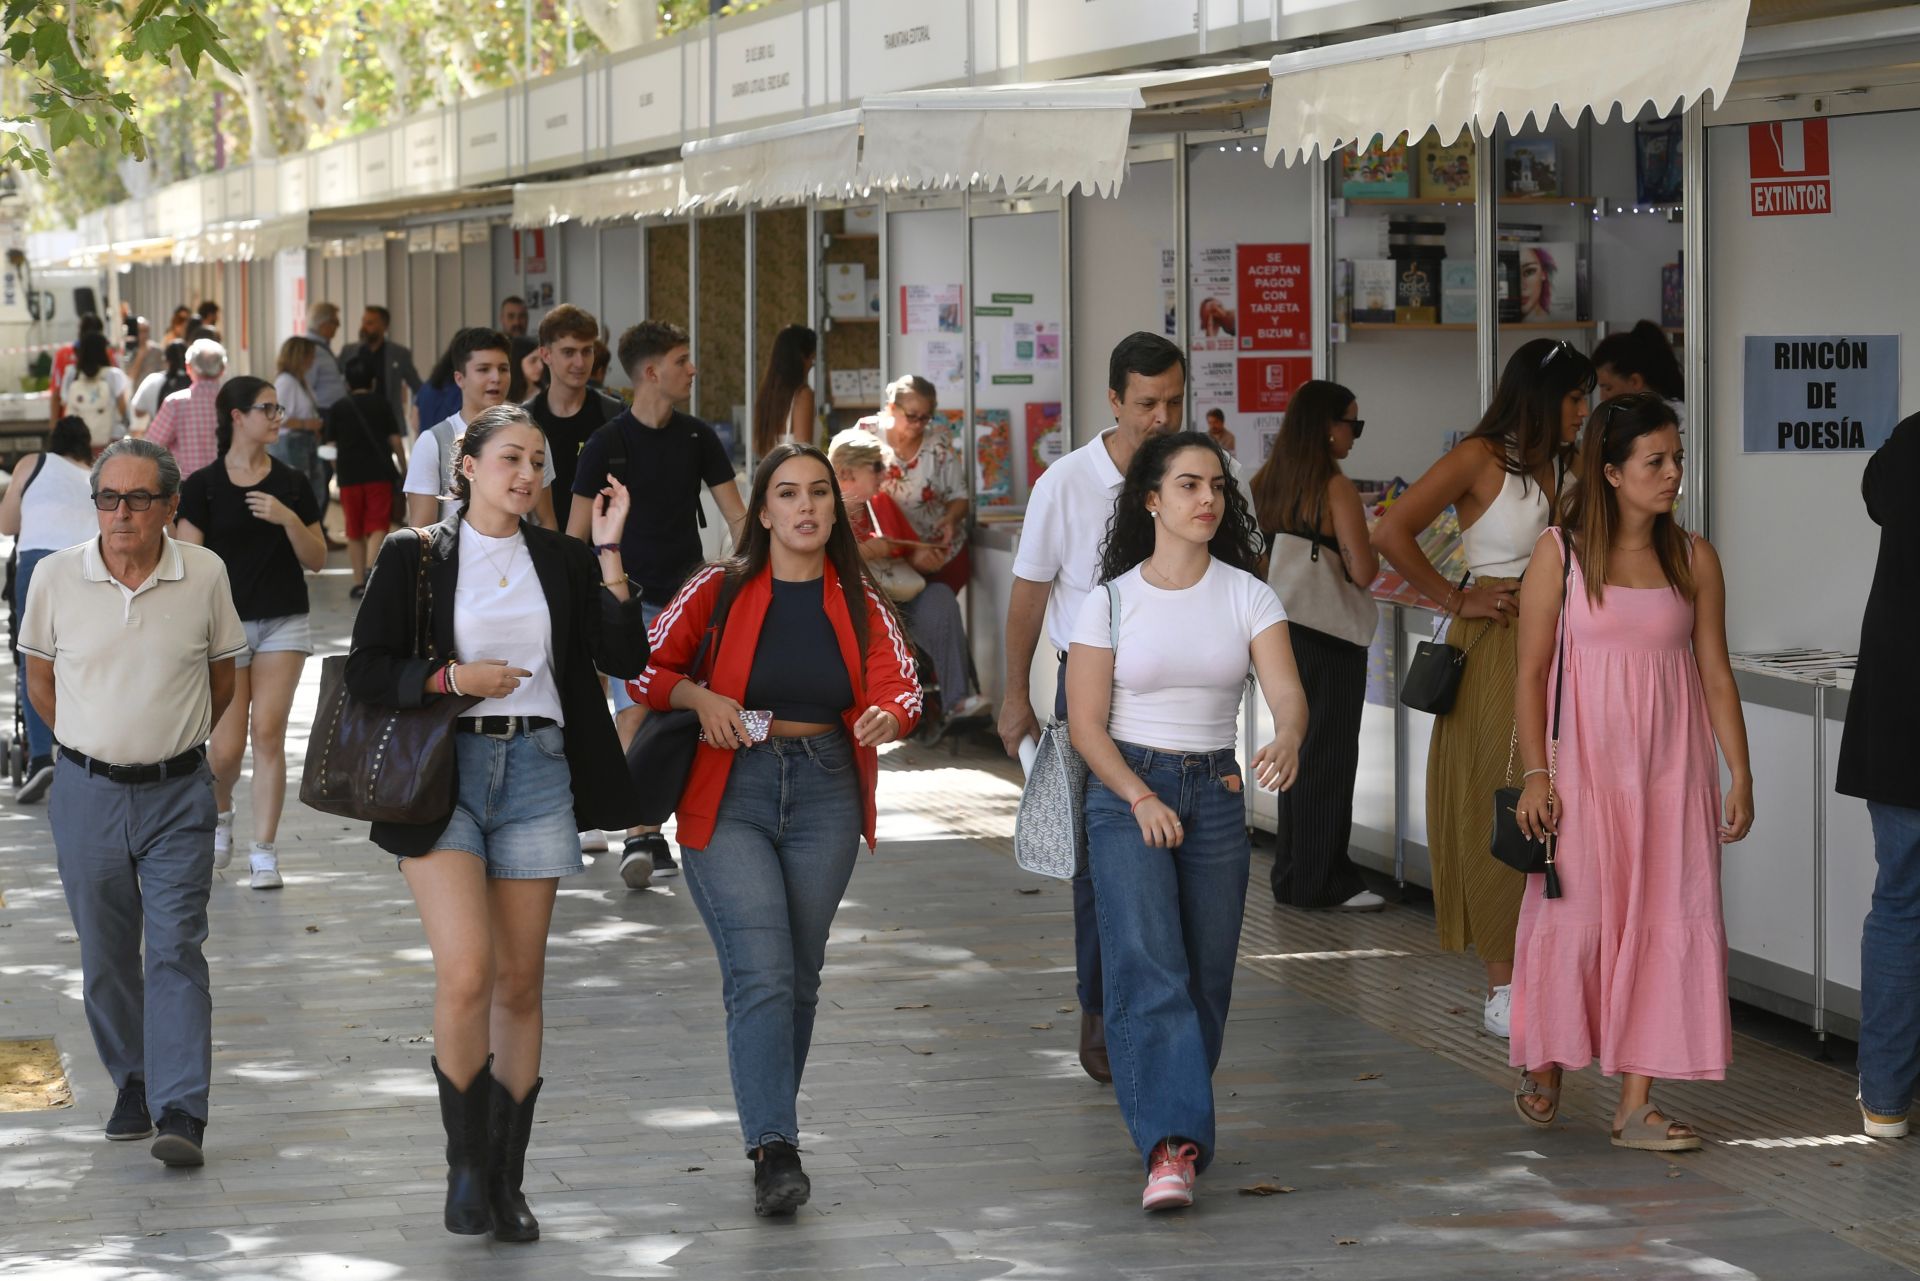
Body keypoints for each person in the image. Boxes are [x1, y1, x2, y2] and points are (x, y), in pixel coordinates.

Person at [345, 404, 648, 1241]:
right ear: (467, 466)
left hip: (539, 772)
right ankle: (466, 1163)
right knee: (468, 973)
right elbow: (366, 667)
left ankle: (510, 1179)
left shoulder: (560, 556)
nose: (527, 473)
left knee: (520, 983)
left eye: (539, 462)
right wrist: (452, 676)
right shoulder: (415, 554)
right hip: (445, 774)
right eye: (510, 456)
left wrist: (612, 549)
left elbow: (626, 659)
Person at [634, 441, 920, 1216]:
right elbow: (643, 667)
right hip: (730, 789)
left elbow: (904, 685)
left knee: (799, 973)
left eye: (819, 493)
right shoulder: (717, 587)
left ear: (837, 507)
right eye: (787, 494)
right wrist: (700, 699)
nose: (805, 507)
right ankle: (775, 1147)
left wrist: (888, 714)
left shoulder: (860, 597)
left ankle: (772, 1129)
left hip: (827, 785)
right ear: (762, 512)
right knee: (761, 970)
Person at [1068, 430, 1307, 1212]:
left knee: (1205, 977)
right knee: (1149, 966)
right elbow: (1086, 725)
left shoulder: (1248, 592)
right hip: (1126, 789)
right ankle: (1171, 1146)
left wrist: (1290, 734)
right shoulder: (1108, 600)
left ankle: (1169, 1115)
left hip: (1216, 792)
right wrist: (1139, 795)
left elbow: (1286, 691)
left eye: (1216, 487)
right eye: (1188, 485)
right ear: (1152, 500)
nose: (1207, 499)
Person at [1508, 391, 1752, 1150]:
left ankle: (1635, 1104)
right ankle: (1548, 1058)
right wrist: (1538, 776)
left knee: (1662, 921)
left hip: (1671, 779)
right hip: (1582, 774)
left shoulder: (1693, 556)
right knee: (1571, 917)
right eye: (1657, 460)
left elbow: (1714, 669)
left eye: (1677, 457)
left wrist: (1738, 771)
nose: (1673, 471)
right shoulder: (1560, 553)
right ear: (1611, 471)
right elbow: (1530, 672)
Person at [20, 438, 249, 1167]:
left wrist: (174, 746)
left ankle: (183, 1106)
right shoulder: (55, 576)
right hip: (85, 793)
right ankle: (135, 1079)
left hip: (178, 791)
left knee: (176, 946)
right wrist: (92, 748)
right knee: (107, 955)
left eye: (138, 499)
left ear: (169, 506)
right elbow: (41, 683)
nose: (121, 513)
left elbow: (222, 680)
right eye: (108, 499)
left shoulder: (205, 573)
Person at [1372, 337, 1594, 1038]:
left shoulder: (1568, 460)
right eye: (1574, 398)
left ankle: (1553, 961)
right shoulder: (1480, 456)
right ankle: (1503, 980)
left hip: (1568, 635)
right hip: (1498, 634)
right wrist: (1453, 597)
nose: (1584, 411)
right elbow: (1392, 530)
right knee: (1502, 797)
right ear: (1541, 396)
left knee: (1569, 796)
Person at [1000, 331, 1187, 1084]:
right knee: (1098, 858)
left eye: (1174, 401)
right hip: (1091, 689)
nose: (1161, 417)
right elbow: (1029, 591)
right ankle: (1100, 1009)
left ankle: (1168, 1007)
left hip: (1181, 687)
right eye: (1146, 403)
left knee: (1181, 847)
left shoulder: (1205, 472)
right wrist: (1015, 692)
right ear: (1114, 400)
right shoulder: (1066, 483)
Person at [567, 320, 746, 888]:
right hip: (630, 603)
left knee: (688, 712)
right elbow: (576, 533)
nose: (693, 370)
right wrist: (585, 609)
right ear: (651, 372)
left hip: (693, 603)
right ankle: (638, 831)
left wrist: (754, 573)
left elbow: (739, 517)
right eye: (682, 360)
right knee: (636, 712)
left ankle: (651, 828)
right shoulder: (606, 444)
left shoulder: (698, 438)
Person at [176, 377, 326, 891]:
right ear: (237, 416)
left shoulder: (292, 482)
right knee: (225, 749)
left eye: (278, 407)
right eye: (267, 408)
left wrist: (287, 519)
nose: (277, 416)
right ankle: (221, 815)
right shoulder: (203, 487)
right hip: (224, 629)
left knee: (268, 732)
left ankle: (265, 851)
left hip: (284, 619)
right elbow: (185, 566)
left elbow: (318, 558)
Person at [1250, 381, 1383, 912]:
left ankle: (1293, 871)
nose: (1355, 433)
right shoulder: (1335, 488)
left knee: (1295, 752)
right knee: (1329, 757)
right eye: (1353, 422)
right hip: (1331, 639)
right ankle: (1324, 879)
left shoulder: (1267, 483)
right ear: (1329, 426)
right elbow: (1363, 569)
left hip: (1280, 634)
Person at [1837, 409, 1920, 1140]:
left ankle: (1886, 1101)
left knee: (1900, 902)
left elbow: (1875, 494)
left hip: (1899, 727)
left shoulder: (1908, 447)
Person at [830, 427, 990, 728]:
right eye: (877, 467)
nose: (885, 474)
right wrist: (865, 553)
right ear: (846, 470)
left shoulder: (881, 505)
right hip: (853, 605)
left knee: (940, 597)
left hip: (896, 598)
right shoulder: (824, 510)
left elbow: (909, 554)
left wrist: (923, 558)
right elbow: (816, 564)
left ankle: (955, 700)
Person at [0, 417, 99, 802]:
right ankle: (86, 750)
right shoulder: (95, 475)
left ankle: (41, 756)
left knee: (35, 656)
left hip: (39, 564)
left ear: (52, 442)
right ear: (86, 446)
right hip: (88, 565)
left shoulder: (33, 463)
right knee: (84, 658)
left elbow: (7, 524)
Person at [405, 327, 557, 530]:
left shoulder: (531, 436)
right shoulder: (434, 442)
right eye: (484, 369)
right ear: (460, 379)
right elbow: (421, 534)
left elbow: (545, 520)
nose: (496, 378)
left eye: (503, 369)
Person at [864, 375, 970, 595]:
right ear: (892, 407)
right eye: (912, 416)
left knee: (934, 617)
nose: (918, 424)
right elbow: (847, 485)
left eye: (925, 418)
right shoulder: (866, 434)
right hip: (886, 558)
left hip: (936, 555)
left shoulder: (937, 445)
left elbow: (960, 496)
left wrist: (951, 518)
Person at [524, 304, 622, 536]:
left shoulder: (614, 415)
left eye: (587, 351)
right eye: (569, 352)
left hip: (607, 554)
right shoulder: (525, 420)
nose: (580, 363)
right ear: (546, 355)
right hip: (543, 551)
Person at [327, 354, 407, 598]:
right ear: (373, 381)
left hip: (349, 477)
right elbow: (395, 441)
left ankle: (359, 581)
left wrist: (337, 469)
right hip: (378, 475)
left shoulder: (337, 408)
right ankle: (372, 570)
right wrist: (404, 469)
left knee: (354, 529)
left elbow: (331, 447)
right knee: (378, 525)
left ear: (347, 383)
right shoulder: (382, 404)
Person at [144, 339, 229, 478]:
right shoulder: (231, 401)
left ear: (188, 367)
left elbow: (150, 447)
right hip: (227, 481)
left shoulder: (175, 403)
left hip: (187, 483)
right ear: (222, 369)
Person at [339, 305, 423, 432]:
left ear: (384, 327)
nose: (363, 327)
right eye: (363, 322)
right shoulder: (348, 351)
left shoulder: (399, 354)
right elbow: (336, 382)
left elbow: (417, 386)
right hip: (353, 419)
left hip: (385, 422)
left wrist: (417, 411)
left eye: (370, 323)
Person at [268, 336, 328, 513]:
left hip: (303, 441)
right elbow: (278, 416)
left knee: (312, 489)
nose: (313, 360)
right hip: (292, 443)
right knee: (299, 491)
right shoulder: (286, 381)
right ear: (299, 357)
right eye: (310, 355)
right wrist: (306, 424)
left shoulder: (299, 380)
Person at [1592, 321, 1686, 430]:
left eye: (1608, 388)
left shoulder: (1675, 422)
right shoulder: (1630, 422)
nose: (1602, 397)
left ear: (1635, 381)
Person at [751, 324, 817, 458]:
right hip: (796, 475)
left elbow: (758, 446)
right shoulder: (802, 395)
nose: (811, 365)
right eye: (811, 358)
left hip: (772, 475)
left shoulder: (767, 395)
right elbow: (803, 451)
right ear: (802, 358)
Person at [59, 331, 131, 449]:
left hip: (80, 441)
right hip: (110, 439)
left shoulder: (72, 374)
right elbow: (122, 407)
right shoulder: (113, 375)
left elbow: (65, 402)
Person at [50, 314, 115, 423]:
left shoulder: (64, 355)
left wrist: (53, 425)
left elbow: (57, 394)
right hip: (102, 424)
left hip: (72, 425)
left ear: (80, 332)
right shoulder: (108, 355)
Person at [415, 342, 465, 436]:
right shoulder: (461, 389)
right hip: (451, 446)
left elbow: (414, 420)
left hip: (426, 442)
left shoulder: (427, 386)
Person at [126, 317, 166, 392]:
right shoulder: (129, 351)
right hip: (136, 394)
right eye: (141, 331)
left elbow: (164, 374)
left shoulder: (157, 351)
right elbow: (130, 378)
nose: (144, 335)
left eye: (146, 331)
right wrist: (140, 357)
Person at [509, 335, 544, 405]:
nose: (541, 366)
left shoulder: (546, 396)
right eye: (533, 361)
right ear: (517, 362)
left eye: (542, 360)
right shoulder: (502, 398)